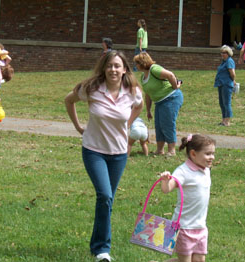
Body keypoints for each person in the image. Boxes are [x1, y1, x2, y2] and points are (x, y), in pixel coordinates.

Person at [64, 50, 143, 262]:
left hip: (118, 153)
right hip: (93, 151)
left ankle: (96, 245)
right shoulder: (91, 89)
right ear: (104, 68)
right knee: (105, 196)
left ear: (125, 69)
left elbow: (139, 106)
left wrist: (128, 124)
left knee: (107, 200)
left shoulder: (132, 91)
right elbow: (68, 100)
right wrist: (78, 126)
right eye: (109, 66)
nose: (113, 70)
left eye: (117, 66)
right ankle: (102, 250)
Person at [160, 134, 216, 262]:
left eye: (213, 153)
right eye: (208, 154)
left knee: (199, 260)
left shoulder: (206, 169)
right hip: (184, 227)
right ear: (193, 154)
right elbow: (166, 189)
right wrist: (165, 180)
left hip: (200, 226)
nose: (212, 157)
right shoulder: (183, 171)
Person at [133, 52, 183, 156]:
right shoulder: (143, 77)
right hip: (159, 102)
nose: (135, 65)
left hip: (171, 98)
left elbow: (170, 75)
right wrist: (148, 110)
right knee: (159, 125)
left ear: (142, 63)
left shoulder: (154, 69)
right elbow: (148, 94)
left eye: (137, 63)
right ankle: (159, 150)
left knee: (168, 124)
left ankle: (171, 150)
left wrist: (175, 86)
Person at [214, 45, 236, 127]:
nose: (222, 54)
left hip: (226, 84)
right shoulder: (223, 62)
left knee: (227, 103)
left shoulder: (229, 61)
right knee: (222, 103)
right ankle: (223, 120)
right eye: (221, 53)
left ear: (228, 53)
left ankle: (227, 121)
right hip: (220, 84)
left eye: (224, 53)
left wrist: (232, 80)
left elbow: (232, 73)